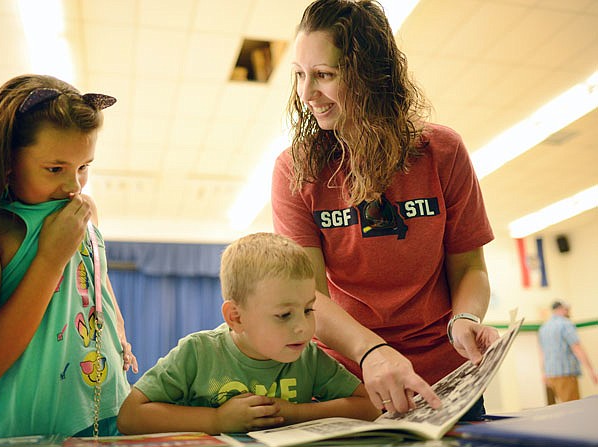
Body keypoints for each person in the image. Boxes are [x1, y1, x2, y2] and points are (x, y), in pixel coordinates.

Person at [271, 0, 501, 418]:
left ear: (370, 76)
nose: (306, 94)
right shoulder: (296, 169)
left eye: (324, 75)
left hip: (444, 379)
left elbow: (470, 268)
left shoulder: (441, 152)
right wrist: (372, 351)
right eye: (300, 75)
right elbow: (309, 297)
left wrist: (465, 317)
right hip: (350, 381)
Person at [0, 74, 138, 439]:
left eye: (84, 167)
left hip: (104, 420)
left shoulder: (86, 212)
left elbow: (97, 280)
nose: (73, 185)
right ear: (7, 160)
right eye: (55, 169)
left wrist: (116, 329)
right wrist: (49, 259)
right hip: (22, 433)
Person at [117, 232, 379, 435]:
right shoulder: (197, 352)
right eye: (284, 315)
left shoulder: (307, 356)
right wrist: (217, 419)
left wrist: (296, 413)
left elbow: (370, 405)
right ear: (236, 317)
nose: (303, 327)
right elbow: (130, 416)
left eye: (308, 310)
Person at [538, 300, 598, 403]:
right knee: (573, 409)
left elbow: (542, 353)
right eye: (567, 310)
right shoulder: (565, 324)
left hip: (551, 376)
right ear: (561, 309)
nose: (568, 312)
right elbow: (577, 348)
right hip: (565, 374)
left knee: (562, 408)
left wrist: (544, 373)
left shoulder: (543, 328)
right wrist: (591, 370)